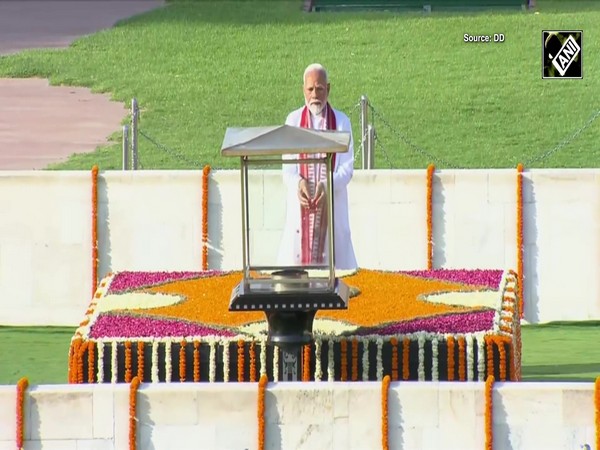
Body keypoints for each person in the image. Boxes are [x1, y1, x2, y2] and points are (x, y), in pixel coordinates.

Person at [277, 63, 358, 271]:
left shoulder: (341, 122)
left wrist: (325, 185)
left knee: (336, 276)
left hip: (331, 208)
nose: (315, 95)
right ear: (303, 89)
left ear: (328, 89)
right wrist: (300, 183)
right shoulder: (293, 120)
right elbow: (287, 170)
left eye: (320, 89)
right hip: (300, 209)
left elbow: (347, 170)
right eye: (310, 89)